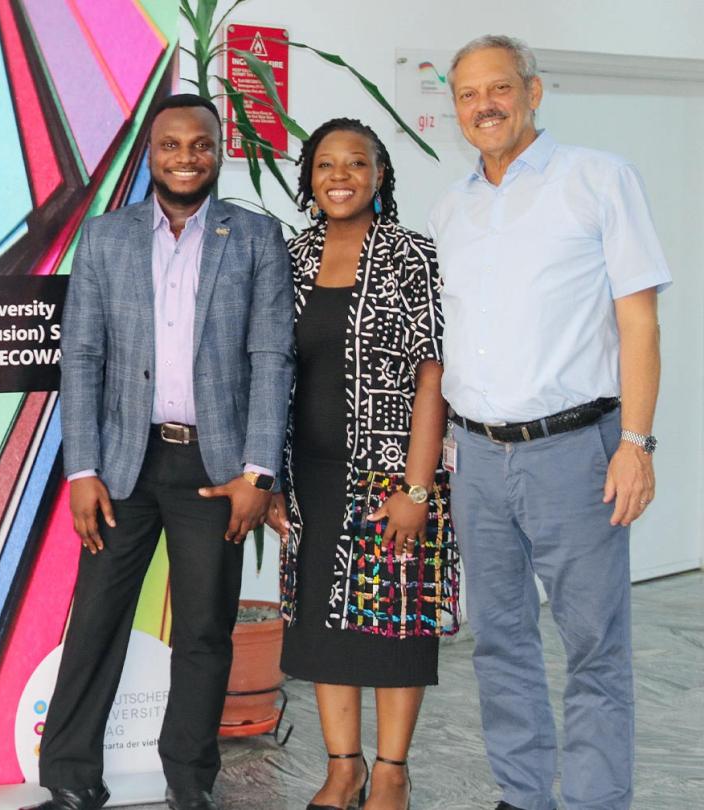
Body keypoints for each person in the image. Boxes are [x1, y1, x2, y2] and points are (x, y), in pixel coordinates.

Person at [28, 93, 294, 810]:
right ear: (150, 153)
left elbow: (272, 357)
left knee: (205, 628)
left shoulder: (255, 236)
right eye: (170, 145)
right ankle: (72, 779)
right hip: (124, 463)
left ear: (219, 151)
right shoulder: (106, 238)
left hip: (216, 471)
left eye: (200, 144)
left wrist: (258, 472)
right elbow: (81, 357)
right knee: (95, 620)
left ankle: (189, 782)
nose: (185, 157)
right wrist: (82, 470)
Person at [430, 35, 670, 810]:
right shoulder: (454, 208)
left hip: (574, 453)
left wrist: (635, 444)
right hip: (476, 458)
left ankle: (595, 800)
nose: (485, 106)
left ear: (533, 92)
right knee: (499, 639)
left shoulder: (598, 179)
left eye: (499, 88)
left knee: (593, 643)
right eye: (468, 94)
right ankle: (523, 792)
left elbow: (639, 323)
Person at [266, 118, 458, 810]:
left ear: (380, 175)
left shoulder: (414, 256)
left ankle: (393, 772)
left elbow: (433, 374)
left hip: (392, 475)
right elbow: (272, 370)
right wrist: (272, 478)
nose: (340, 176)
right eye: (325, 164)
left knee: (395, 626)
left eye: (356, 163)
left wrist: (417, 488)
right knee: (322, 629)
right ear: (309, 178)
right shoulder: (291, 257)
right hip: (310, 479)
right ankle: (344, 770)